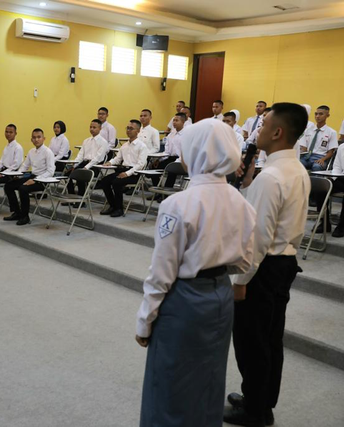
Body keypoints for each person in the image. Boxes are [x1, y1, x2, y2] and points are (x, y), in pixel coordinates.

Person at [136, 118, 256, 427]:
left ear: (197, 150)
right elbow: (247, 261)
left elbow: (161, 273)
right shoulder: (240, 202)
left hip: (184, 301)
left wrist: (144, 321)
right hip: (220, 295)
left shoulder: (179, 203)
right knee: (209, 378)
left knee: (170, 382)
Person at [224, 103, 310, 427]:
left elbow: (258, 236)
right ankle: (262, 401)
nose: (256, 131)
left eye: (262, 126)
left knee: (251, 340)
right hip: (284, 263)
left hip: (263, 268)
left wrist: (241, 279)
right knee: (271, 338)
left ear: (277, 132)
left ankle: (254, 411)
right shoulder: (295, 170)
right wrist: (249, 180)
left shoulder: (272, 177)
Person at [3, 128, 55, 226]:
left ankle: (25, 216)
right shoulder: (31, 151)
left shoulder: (48, 152)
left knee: (23, 189)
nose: (36, 140)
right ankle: (17, 212)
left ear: (44, 139)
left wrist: (35, 180)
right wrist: (17, 175)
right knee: (9, 185)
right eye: (34, 138)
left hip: (43, 180)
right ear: (31, 140)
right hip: (32, 176)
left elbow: (50, 171)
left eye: (39, 137)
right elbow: (24, 167)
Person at [99, 119, 148, 217]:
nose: (128, 130)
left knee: (116, 183)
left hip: (134, 173)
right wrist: (109, 162)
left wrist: (127, 173)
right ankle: (112, 205)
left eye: (131, 128)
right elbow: (118, 158)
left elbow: (141, 164)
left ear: (138, 131)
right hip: (123, 170)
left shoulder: (142, 146)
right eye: (127, 128)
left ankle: (119, 209)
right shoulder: (124, 145)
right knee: (104, 181)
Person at [66, 119, 109, 196]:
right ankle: (71, 195)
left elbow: (98, 158)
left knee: (81, 174)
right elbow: (80, 155)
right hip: (84, 163)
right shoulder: (86, 141)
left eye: (94, 127)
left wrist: (87, 167)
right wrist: (74, 165)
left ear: (100, 128)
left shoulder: (103, 142)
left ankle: (81, 198)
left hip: (95, 166)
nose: (92, 129)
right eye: (90, 127)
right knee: (67, 174)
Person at [314, 144, 344, 237]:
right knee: (322, 188)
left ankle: (342, 226)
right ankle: (324, 223)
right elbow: (337, 167)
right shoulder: (342, 147)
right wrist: (332, 179)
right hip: (341, 177)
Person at [150, 113, 186, 188]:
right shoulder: (171, 135)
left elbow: (186, 153)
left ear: (183, 122)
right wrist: (159, 160)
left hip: (181, 160)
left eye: (177, 120)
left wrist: (175, 162)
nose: (174, 122)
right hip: (170, 158)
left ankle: (166, 193)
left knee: (172, 170)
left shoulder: (187, 134)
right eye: (173, 120)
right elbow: (167, 152)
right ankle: (157, 190)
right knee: (153, 167)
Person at [299, 105, 338, 171]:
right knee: (297, 164)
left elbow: (331, 152)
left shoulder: (331, 132)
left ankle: (316, 181)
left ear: (327, 115)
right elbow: (304, 148)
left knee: (316, 166)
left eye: (321, 114)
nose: (317, 116)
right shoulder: (307, 130)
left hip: (321, 157)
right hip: (307, 156)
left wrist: (323, 159)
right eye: (316, 114)